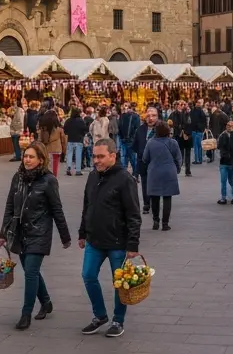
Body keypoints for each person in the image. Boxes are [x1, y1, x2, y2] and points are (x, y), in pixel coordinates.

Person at [0, 141, 71, 330]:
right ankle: (46, 302)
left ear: (41, 159)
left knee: (31, 272)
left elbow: (57, 209)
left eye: (31, 157)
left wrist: (65, 236)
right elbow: (9, 205)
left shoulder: (49, 180)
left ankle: (26, 314)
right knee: (30, 270)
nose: (27, 160)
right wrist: (3, 232)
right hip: (20, 231)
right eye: (25, 156)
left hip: (39, 232)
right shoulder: (18, 177)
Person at [78, 138, 142, 338]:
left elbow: (134, 214)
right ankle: (100, 315)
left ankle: (118, 320)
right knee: (88, 275)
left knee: (119, 283)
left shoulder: (125, 179)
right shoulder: (92, 176)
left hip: (117, 242)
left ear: (113, 156)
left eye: (101, 156)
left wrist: (132, 244)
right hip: (94, 240)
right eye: (94, 156)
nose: (96, 160)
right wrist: (82, 233)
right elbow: (87, 206)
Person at [140, 121, 181, 230]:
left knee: (154, 197)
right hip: (169, 172)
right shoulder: (173, 143)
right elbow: (178, 158)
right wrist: (177, 169)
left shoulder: (150, 143)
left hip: (154, 172)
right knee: (167, 197)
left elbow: (145, 158)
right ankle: (165, 223)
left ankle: (155, 221)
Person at [132, 106, 159, 213]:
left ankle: (155, 204)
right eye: (148, 116)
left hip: (157, 163)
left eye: (153, 116)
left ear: (157, 116)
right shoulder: (140, 129)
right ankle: (146, 204)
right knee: (145, 183)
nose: (151, 118)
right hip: (143, 162)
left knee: (155, 184)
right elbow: (135, 146)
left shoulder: (161, 129)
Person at [39, 110, 67, 177]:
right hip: (57, 149)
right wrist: (64, 150)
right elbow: (63, 141)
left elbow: (40, 139)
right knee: (55, 166)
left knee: (47, 165)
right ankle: (54, 177)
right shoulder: (59, 129)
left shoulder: (43, 129)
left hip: (46, 149)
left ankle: (47, 177)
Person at [116, 103, 141, 173]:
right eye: (124, 107)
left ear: (130, 108)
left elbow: (137, 129)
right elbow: (120, 126)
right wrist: (121, 136)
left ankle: (135, 173)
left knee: (132, 158)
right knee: (123, 158)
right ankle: (124, 173)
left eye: (126, 107)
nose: (124, 108)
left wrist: (133, 139)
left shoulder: (135, 116)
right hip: (123, 140)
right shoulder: (122, 116)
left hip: (131, 141)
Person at [64, 108, 89, 177]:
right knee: (78, 155)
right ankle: (78, 170)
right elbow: (85, 129)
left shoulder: (68, 121)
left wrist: (68, 133)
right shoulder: (81, 121)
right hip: (79, 140)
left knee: (69, 154)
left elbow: (65, 129)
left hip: (70, 139)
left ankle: (69, 168)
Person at [189, 100, 208, 165]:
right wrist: (203, 128)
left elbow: (192, 121)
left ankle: (196, 160)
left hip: (195, 131)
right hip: (200, 131)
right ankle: (200, 159)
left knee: (196, 146)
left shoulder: (193, 111)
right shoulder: (202, 111)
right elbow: (205, 121)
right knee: (199, 146)